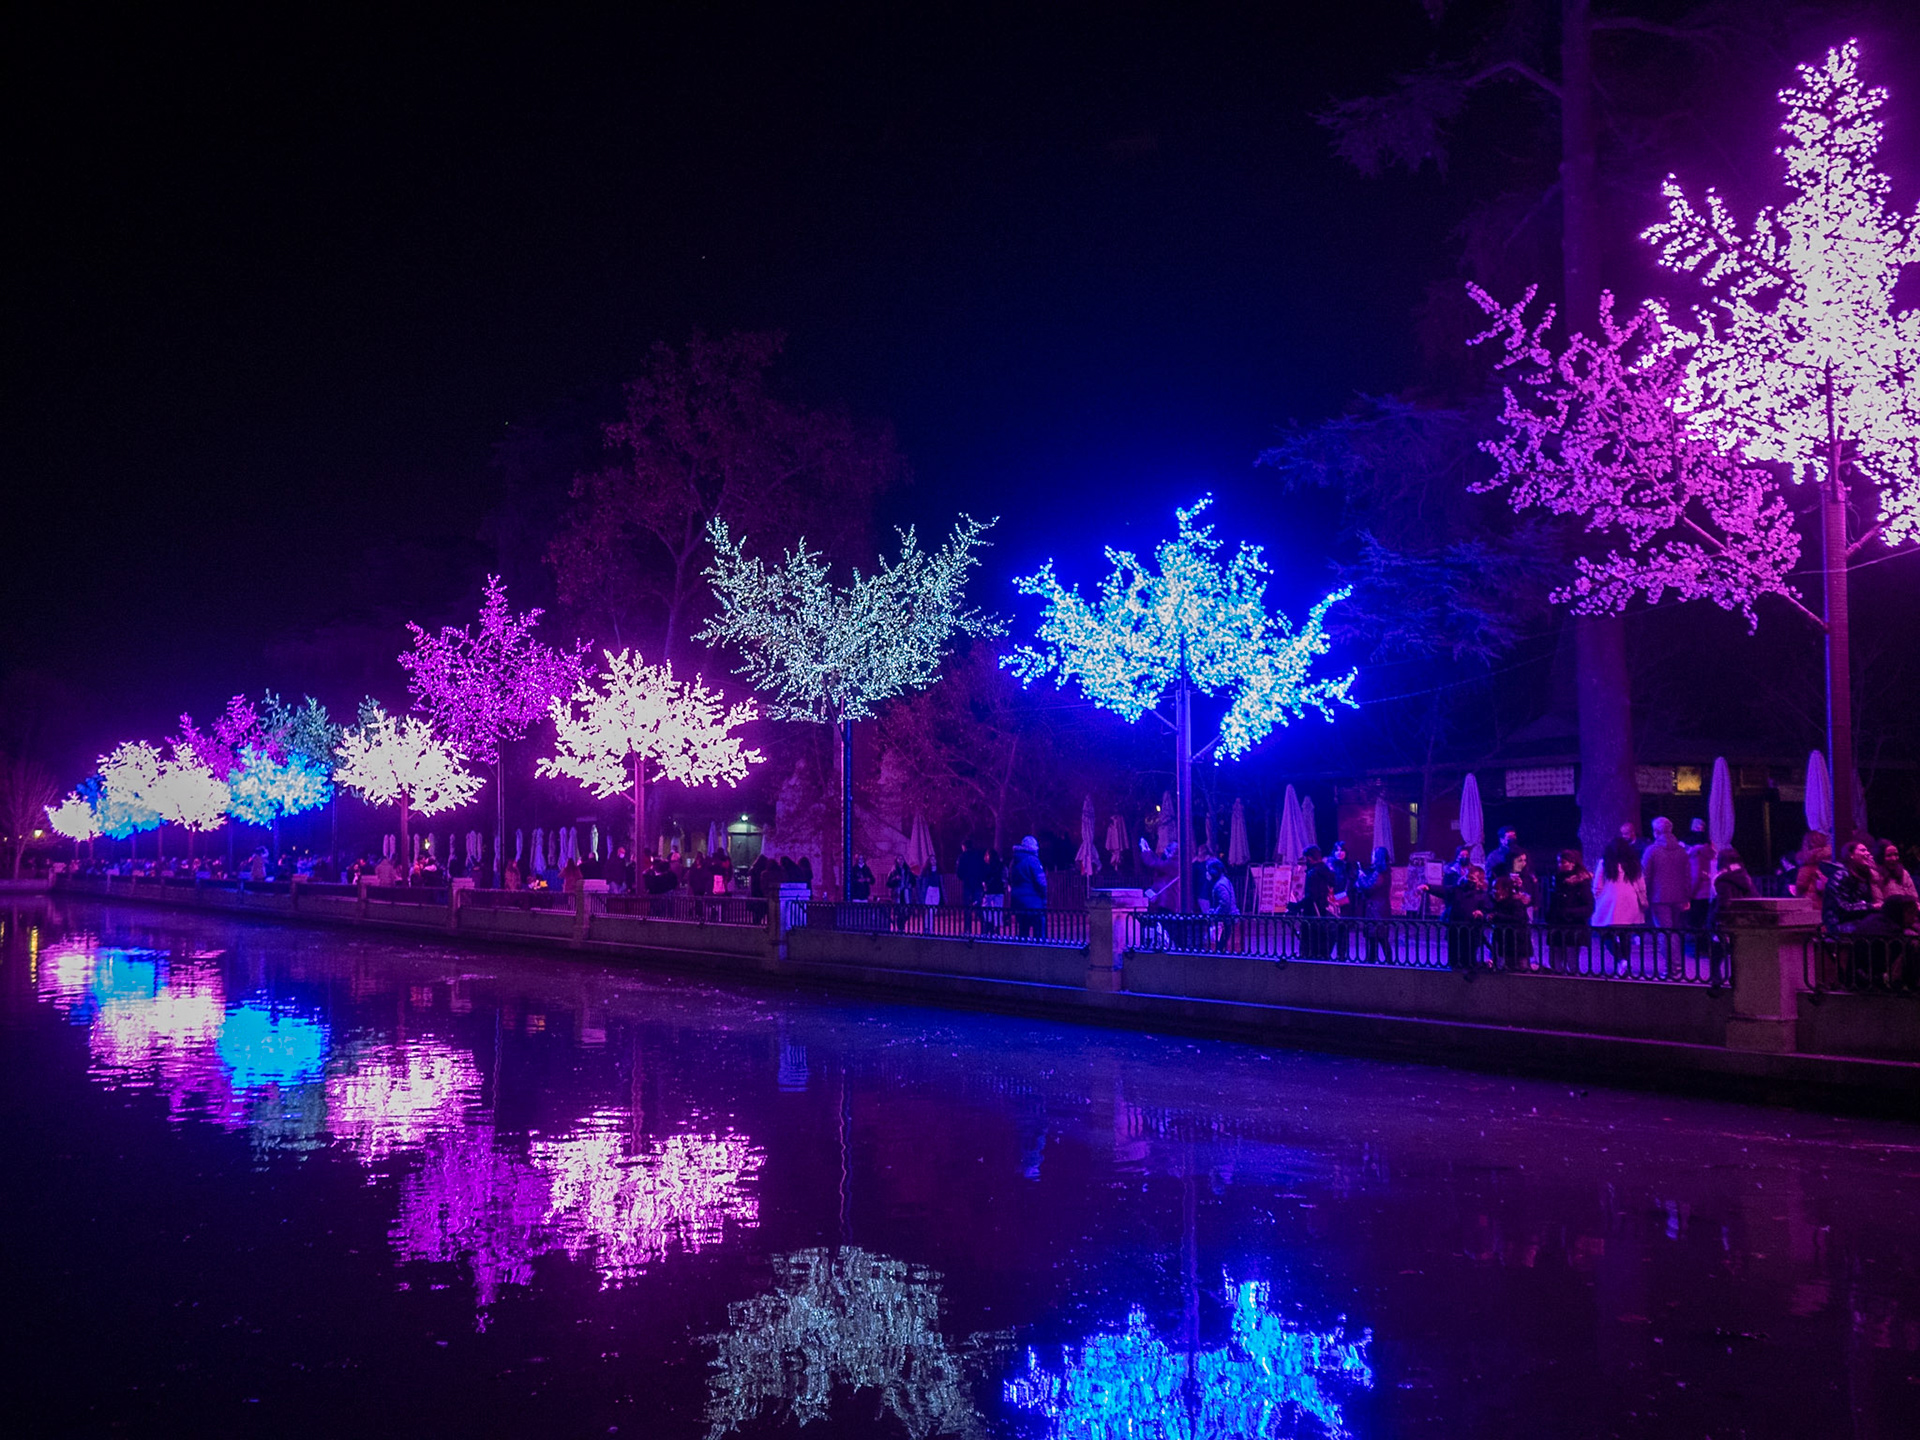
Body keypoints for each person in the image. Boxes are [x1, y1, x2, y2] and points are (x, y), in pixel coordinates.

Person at [1594, 823, 1647, 972]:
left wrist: (1597, 898)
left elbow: (1597, 885)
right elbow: (1640, 884)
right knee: (1625, 935)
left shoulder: (1605, 863)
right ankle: (1625, 965)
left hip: (1610, 901)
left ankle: (1620, 959)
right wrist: (1643, 900)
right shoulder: (1634, 865)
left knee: (1605, 933)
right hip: (1630, 900)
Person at [1542, 849, 1594, 973]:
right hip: (1556, 925)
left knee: (1572, 961)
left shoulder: (1581, 882)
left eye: (1563, 862)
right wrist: (1550, 916)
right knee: (1555, 961)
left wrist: (1569, 912)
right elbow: (1553, 901)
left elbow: (1589, 906)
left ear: (1572, 863)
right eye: (1559, 862)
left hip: (1573, 926)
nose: (1560, 865)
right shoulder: (1557, 879)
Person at [1641, 817, 1693, 930]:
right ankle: (1676, 948)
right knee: (1676, 930)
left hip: (1658, 897)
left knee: (1664, 932)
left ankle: (1669, 949)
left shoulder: (1651, 850)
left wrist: (1643, 896)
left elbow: (1645, 875)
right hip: (1679, 896)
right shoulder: (1681, 850)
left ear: (1655, 832)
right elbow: (1687, 875)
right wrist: (1687, 895)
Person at [1352, 845, 1395, 964]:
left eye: (1373, 855)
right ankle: (1374, 959)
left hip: (1377, 909)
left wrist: (1360, 878)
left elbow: (1369, 887)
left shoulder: (1380, 872)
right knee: (1376, 937)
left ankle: (1381, 960)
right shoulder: (1382, 872)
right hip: (1378, 908)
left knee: (1379, 937)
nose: (1371, 857)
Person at [1297, 846, 1337, 959]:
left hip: (1312, 912)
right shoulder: (1326, 871)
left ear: (1309, 858)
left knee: (1310, 942)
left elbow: (1311, 896)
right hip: (1324, 909)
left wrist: (1296, 906)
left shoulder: (1313, 873)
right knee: (1322, 941)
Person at [1488, 874, 1533, 970]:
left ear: (1505, 889)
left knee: (1521, 969)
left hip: (1518, 943)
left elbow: (1518, 918)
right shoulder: (1497, 902)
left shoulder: (1515, 902)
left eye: (1497, 889)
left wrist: (1497, 916)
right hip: (1506, 943)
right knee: (1508, 969)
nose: (1495, 892)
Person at [1008, 835, 1048, 939]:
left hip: (1018, 902)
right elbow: (1041, 882)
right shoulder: (1033, 860)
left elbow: (1011, 879)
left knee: (1023, 932)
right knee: (1039, 935)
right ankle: (1037, 954)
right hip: (1034, 903)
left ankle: (1022, 954)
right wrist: (1044, 898)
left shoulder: (1013, 861)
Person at [1685, 819, 1715, 930]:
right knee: (1705, 923)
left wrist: (1689, 893)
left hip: (1697, 893)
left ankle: (1699, 947)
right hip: (1709, 892)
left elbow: (1696, 875)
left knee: (1695, 925)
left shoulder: (1695, 854)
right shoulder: (1711, 850)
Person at [1204, 857, 1239, 950]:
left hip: (1225, 921)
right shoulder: (1224, 881)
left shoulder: (1220, 885)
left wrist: (1216, 914)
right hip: (1227, 919)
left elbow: (1225, 903)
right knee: (1221, 945)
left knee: (1220, 946)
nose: (1206, 873)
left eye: (1208, 870)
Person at [1873, 841, 1918, 906]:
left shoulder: (1904, 873)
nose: (1894, 858)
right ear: (1881, 857)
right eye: (1889, 855)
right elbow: (1879, 902)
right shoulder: (1876, 875)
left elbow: (1914, 898)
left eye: (1896, 855)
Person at [981, 847, 1007, 935]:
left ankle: (988, 927)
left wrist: (984, 885)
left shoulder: (986, 866)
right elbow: (1004, 877)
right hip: (999, 891)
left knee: (987, 909)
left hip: (989, 891)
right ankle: (997, 929)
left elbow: (983, 878)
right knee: (997, 910)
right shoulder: (1001, 866)